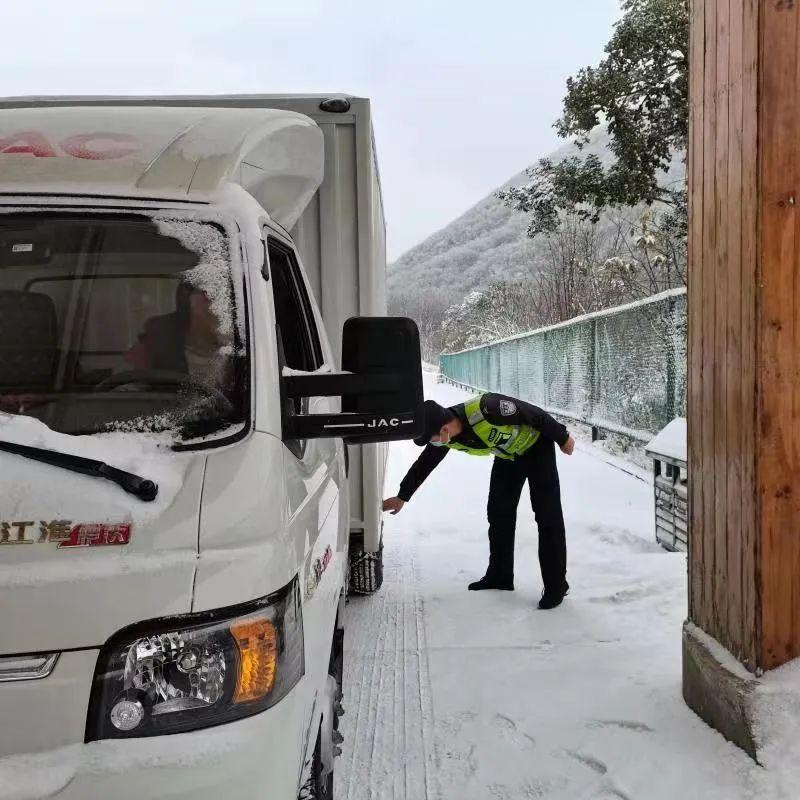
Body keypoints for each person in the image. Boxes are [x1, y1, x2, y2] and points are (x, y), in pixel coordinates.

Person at [383, 393, 575, 609]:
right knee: (498, 513)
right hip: (508, 456)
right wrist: (402, 496)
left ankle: (557, 586)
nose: (433, 444)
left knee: (547, 516)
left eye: (431, 439)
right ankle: (500, 575)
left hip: (537, 448)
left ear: (444, 430)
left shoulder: (487, 408)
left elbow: (534, 414)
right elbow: (425, 463)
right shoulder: (446, 437)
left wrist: (563, 438)